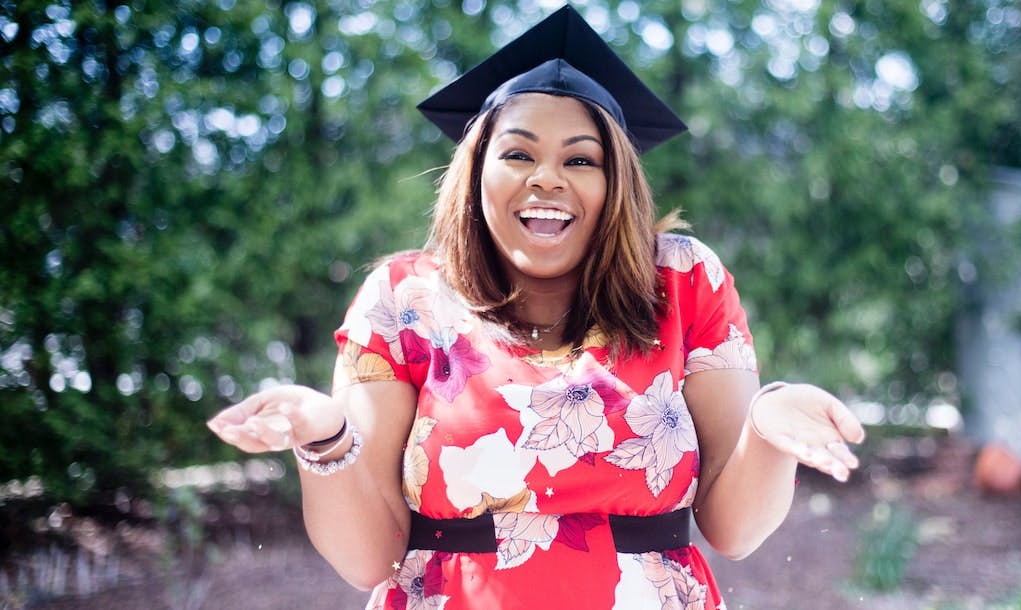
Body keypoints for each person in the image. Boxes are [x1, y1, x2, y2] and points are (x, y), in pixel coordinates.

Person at [206, 6, 865, 609]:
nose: (547, 178)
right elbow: (366, 558)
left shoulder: (684, 281)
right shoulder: (402, 302)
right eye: (518, 152)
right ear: (476, 170)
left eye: (582, 159)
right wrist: (324, 436)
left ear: (616, 184)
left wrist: (769, 425)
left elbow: (736, 529)